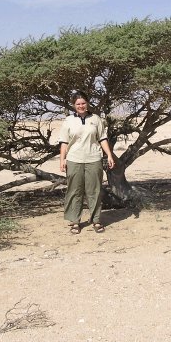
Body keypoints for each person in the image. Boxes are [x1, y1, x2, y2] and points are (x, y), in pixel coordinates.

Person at [59, 91, 114, 234]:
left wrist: (109, 155)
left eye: (83, 103)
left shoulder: (96, 119)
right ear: (73, 105)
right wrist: (62, 160)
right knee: (74, 191)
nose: (81, 106)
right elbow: (64, 143)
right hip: (74, 159)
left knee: (94, 191)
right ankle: (75, 221)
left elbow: (102, 138)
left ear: (87, 103)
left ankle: (96, 220)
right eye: (78, 104)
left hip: (93, 158)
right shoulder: (68, 121)